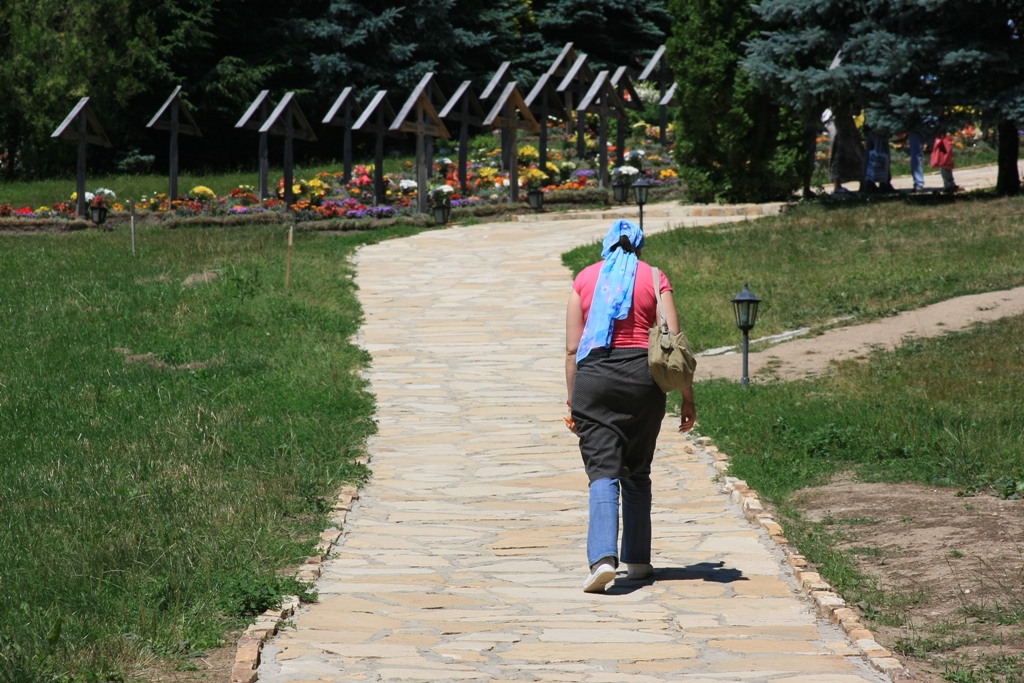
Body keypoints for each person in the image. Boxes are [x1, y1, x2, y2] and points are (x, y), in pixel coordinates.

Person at [564, 219, 697, 594]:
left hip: (594, 378)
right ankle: (638, 561)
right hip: (643, 380)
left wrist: (574, 402)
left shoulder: (585, 279)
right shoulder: (655, 278)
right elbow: (674, 345)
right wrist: (687, 398)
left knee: (603, 469)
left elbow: (573, 349)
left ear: (606, 246)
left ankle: (604, 560)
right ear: (639, 248)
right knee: (637, 469)